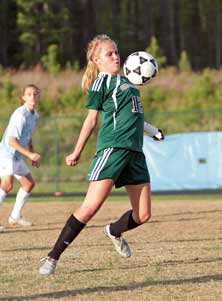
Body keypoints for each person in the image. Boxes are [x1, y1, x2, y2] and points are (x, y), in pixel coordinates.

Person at [39, 34, 164, 275]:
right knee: (90, 207)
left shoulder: (130, 83)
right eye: (109, 54)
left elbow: (135, 119)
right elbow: (91, 119)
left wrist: (154, 131)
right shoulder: (102, 82)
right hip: (112, 150)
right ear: (96, 60)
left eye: (117, 52)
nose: (116, 56)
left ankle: (114, 231)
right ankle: (52, 258)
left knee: (144, 215)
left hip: (135, 154)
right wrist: (77, 150)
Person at [0, 84, 41, 232]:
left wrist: (32, 152)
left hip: (17, 155)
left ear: (39, 96)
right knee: (6, 185)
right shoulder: (20, 115)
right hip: (7, 154)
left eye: (35, 94)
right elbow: (11, 140)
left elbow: (28, 136)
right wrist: (29, 154)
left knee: (29, 184)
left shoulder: (34, 115)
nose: (32, 96)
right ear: (23, 97)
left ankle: (15, 216)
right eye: (29, 94)